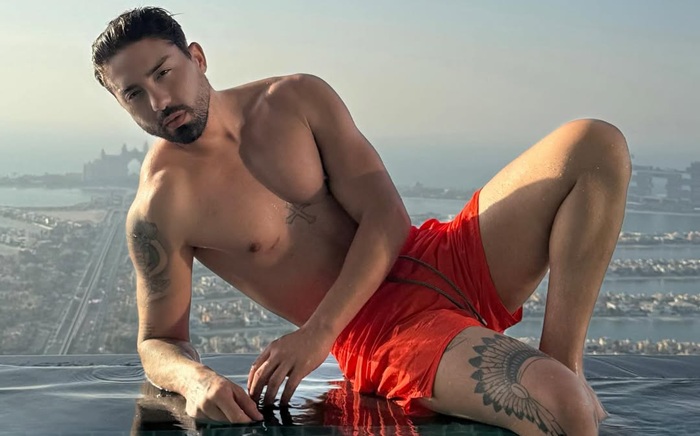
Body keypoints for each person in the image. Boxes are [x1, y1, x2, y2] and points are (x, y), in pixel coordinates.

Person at [92, 6, 630, 435]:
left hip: (434, 255)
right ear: (120, 103)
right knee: (562, 405)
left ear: (197, 57)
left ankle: (565, 360)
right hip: (381, 331)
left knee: (595, 144)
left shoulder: (295, 98)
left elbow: (387, 216)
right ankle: (564, 385)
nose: (159, 100)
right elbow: (158, 340)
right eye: (134, 93)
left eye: (164, 73)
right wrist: (195, 382)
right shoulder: (161, 207)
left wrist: (316, 333)